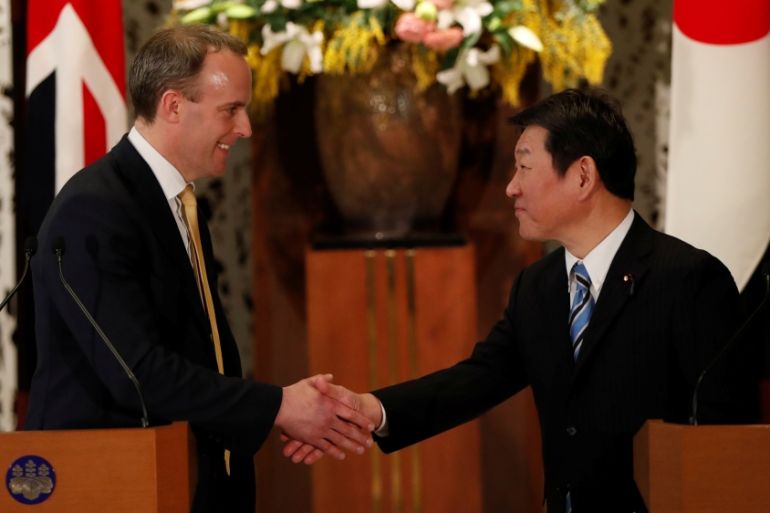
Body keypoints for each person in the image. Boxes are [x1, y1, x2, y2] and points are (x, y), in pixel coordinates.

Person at [282, 89, 756, 512]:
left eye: (524, 166)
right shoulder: (538, 286)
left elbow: (729, 443)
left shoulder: (688, 279)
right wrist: (370, 409)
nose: (511, 186)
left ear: (583, 175)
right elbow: (477, 380)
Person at [25, 25, 373, 513]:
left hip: (187, 478)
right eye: (231, 110)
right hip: (106, 483)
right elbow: (138, 373)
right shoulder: (94, 209)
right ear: (173, 105)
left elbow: (200, 355)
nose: (246, 128)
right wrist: (278, 406)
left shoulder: (178, 202)